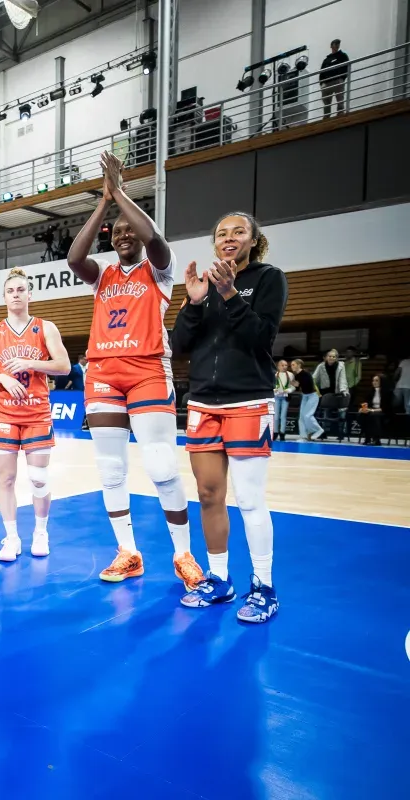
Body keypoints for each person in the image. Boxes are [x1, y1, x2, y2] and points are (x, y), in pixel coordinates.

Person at [66, 151, 202, 589]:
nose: (125, 235)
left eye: (130, 230)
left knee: (162, 465)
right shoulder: (101, 275)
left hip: (146, 371)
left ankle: (183, 554)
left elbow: (155, 237)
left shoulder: (160, 269)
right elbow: (73, 258)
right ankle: (128, 552)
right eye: (117, 232)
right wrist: (103, 203)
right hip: (103, 373)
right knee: (110, 469)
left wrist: (120, 192)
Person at [172, 212, 288, 623]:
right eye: (222, 232)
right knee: (208, 495)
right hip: (203, 402)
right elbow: (179, 344)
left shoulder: (269, 278)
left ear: (254, 240)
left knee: (250, 499)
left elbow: (261, 337)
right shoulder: (204, 285)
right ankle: (219, 579)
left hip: (248, 401)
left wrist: (231, 294)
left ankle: (264, 585)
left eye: (239, 231)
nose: (229, 237)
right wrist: (196, 302)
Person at [0, 268, 71, 561]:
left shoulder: (45, 327)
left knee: (39, 478)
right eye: (10, 291)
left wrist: (31, 363)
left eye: (20, 290)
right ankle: (12, 537)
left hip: (37, 412)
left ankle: (41, 532)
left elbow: (64, 365)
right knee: (6, 479)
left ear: (30, 294)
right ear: (4, 297)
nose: (15, 295)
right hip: (4, 413)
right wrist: (1, 378)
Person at [313, 349, 349, 440]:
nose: (331, 358)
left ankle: (341, 433)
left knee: (342, 412)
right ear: (326, 357)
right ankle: (323, 432)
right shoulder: (321, 366)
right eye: (330, 356)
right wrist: (313, 389)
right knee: (325, 412)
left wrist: (343, 390)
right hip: (326, 392)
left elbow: (342, 379)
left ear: (336, 358)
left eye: (334, 356)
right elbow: (314, 379)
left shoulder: (341, 365)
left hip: (339, 391)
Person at [291, 359, 324, 440]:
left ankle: (319, 429)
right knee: (302, 417)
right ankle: (303, 436)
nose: (292, 366)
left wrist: (298, 384)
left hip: (313, 395)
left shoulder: (306, 373)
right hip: (305, 395)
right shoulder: (296, 375)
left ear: (299, 365)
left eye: (293, 364)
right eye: (291, 365)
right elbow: (299, 388)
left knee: (308, 415)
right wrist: (295, 385)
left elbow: (309, 385)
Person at [320, 39, 349, 119]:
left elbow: (346, 67)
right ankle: (326, 117)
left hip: (337, 80)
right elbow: (321, 72)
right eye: (335, 44)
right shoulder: (326, 60)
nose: (336, 45)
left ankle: (340, 115)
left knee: (340, 100)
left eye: (338, 44)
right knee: (326, 103)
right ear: (331, 46)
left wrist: (342, 78)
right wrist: (322, 83)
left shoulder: (342, 56)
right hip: (327, 83)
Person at [359, 374, 391, 446]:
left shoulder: (388, 393)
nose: (374, 382)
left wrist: (372, 410)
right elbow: (366, 402)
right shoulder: (370, 391)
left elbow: (386, 408)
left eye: (376, 381)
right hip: (371, 411)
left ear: (382, 382)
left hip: (384, 412)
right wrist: (363, 408)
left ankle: (376, 439)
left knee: (374, 415)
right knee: (362, 415)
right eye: (373, 380)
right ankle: (367, 437)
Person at [273, 359, 293, 441]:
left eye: (286, 365)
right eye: (282, 365)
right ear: (278, 366)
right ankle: (275, 432)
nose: (284, 367)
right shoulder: (274, 375)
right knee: (276, 416)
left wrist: (289, 390)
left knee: (283, 416)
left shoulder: (290, 375)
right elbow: (271, 385)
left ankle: (282, 433)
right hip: (276, 397)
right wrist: (274, 389)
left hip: (285, 397)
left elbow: (293, 385)